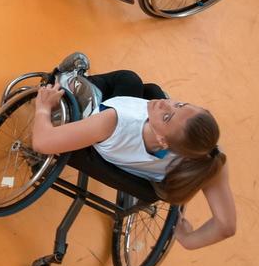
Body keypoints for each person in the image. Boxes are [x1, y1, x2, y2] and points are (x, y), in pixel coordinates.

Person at [29, 59, 236, 251]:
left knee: (129, 79)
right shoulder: (208, 158)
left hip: (102, 137)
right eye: (179, 105)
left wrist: (43, 108)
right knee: (150, 90)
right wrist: (186, 238)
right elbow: (226, 226)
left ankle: (69, 78)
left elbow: (41, 142)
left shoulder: (115, 119)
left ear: (163, 140)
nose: (166, 103)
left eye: (166, 116)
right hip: (123, 164)